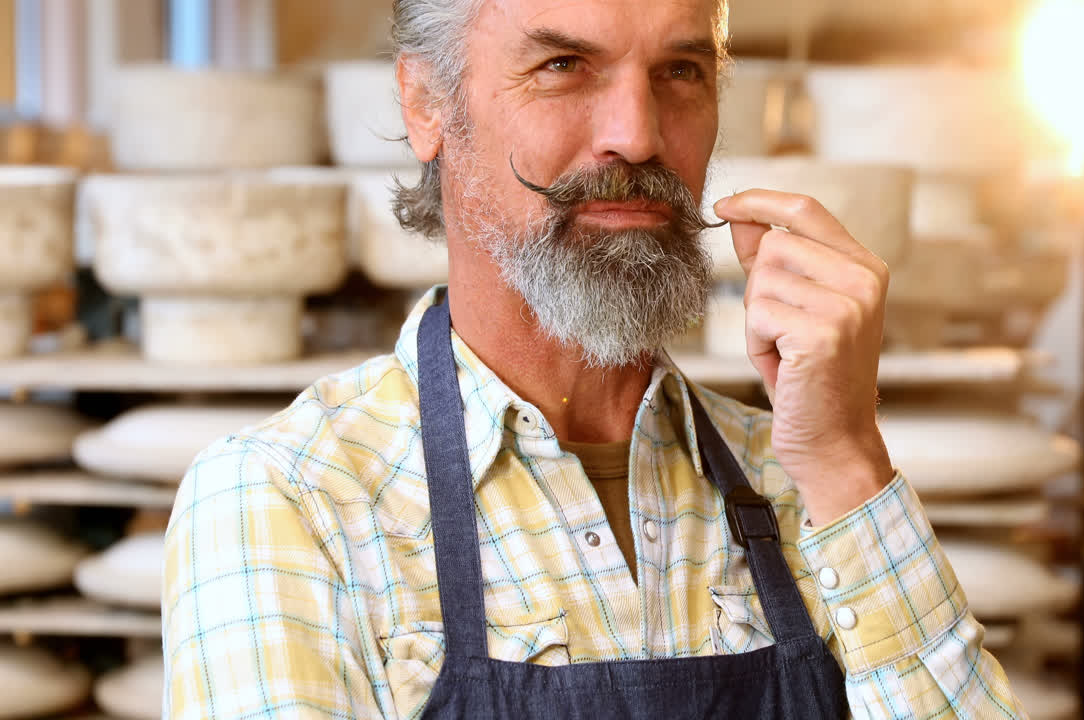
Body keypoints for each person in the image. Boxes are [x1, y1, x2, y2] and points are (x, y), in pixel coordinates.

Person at [163, 0, 1026, 717]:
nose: (637, 136)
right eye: (562, 67)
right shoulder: (294, 502)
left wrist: (846, 461)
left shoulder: (808, 481)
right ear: (427, 104)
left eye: (680, 71)